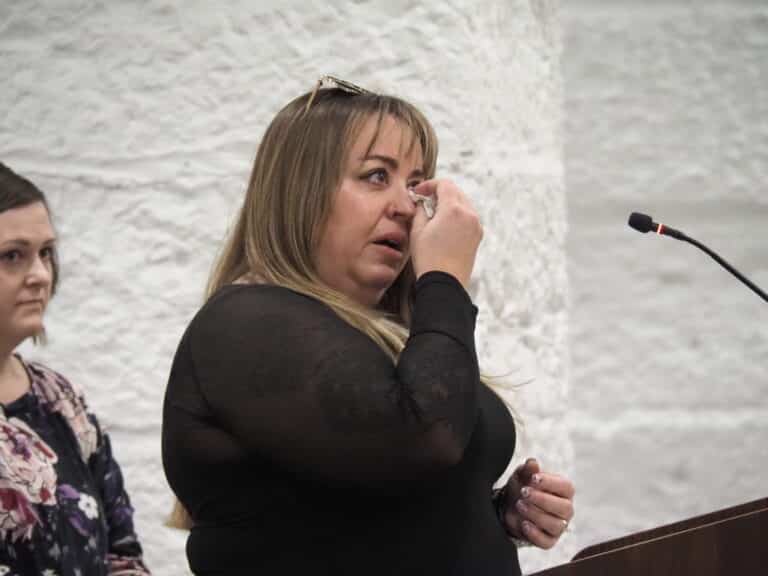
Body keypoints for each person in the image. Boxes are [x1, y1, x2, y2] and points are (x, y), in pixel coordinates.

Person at [162, 76, 575, 575]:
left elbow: (360, 522)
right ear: (301, 191)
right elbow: (421, 439)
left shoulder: (389, 336)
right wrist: (442, 279)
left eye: (414, 183)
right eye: (377, 176)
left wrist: (491, 512)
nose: (405, 206)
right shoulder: (245, 322)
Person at [0, 163, 151, 575]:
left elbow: (122, 553)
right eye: (13, 256)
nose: (40, 275)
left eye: (45, 253)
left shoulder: (59, 399)